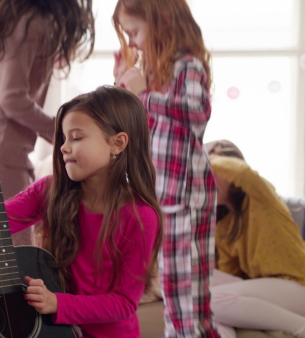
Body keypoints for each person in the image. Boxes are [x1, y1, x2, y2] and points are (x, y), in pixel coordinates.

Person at [0, 85, 162, 337]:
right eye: (63, 138)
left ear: (117, 144)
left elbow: (123, 303)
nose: (63, 147)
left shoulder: (141, 216)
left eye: (76, 138)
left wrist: (56, 303)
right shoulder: (49, 190)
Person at [112, 0, 218, 336]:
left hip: (186, 197)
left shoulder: (188, 65)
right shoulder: (154, 74)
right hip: (161, 196)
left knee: (189, 294)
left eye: (135, 32)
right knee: (172, 291)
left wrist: (146, 94)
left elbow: (197, 113)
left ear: (163, 21)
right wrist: (123, 89)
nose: (131, 42)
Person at [0, 0, 95, 246]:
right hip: (4, 154)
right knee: (17, 251)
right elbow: (12, 98)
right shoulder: (31, 25)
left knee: (9, 246)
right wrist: (60, 131)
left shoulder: (17, 23)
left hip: (0, 150)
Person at [205, 140, 305, 338]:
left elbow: (243, 173)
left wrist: (197, 154)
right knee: (205, 282)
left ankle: (300, 327)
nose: (207, 177)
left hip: (297, 285)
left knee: (209, 299)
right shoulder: (224, 226)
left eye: (211, 169)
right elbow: (230, 275)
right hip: (269, 290)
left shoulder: (261, 197)